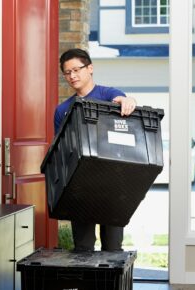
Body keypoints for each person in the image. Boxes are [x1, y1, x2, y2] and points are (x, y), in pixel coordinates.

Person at [55, 48, 137, 251]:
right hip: (80, 187)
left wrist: (129, 101)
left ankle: (111, 284)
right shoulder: (62, 110)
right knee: (83, 248)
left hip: (113, 185)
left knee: (113, 247)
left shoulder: (108, 94)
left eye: (76, 69)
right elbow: (60, 150)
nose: (72, 76)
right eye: (67, 72)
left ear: (90, 68)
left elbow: (123, 100)